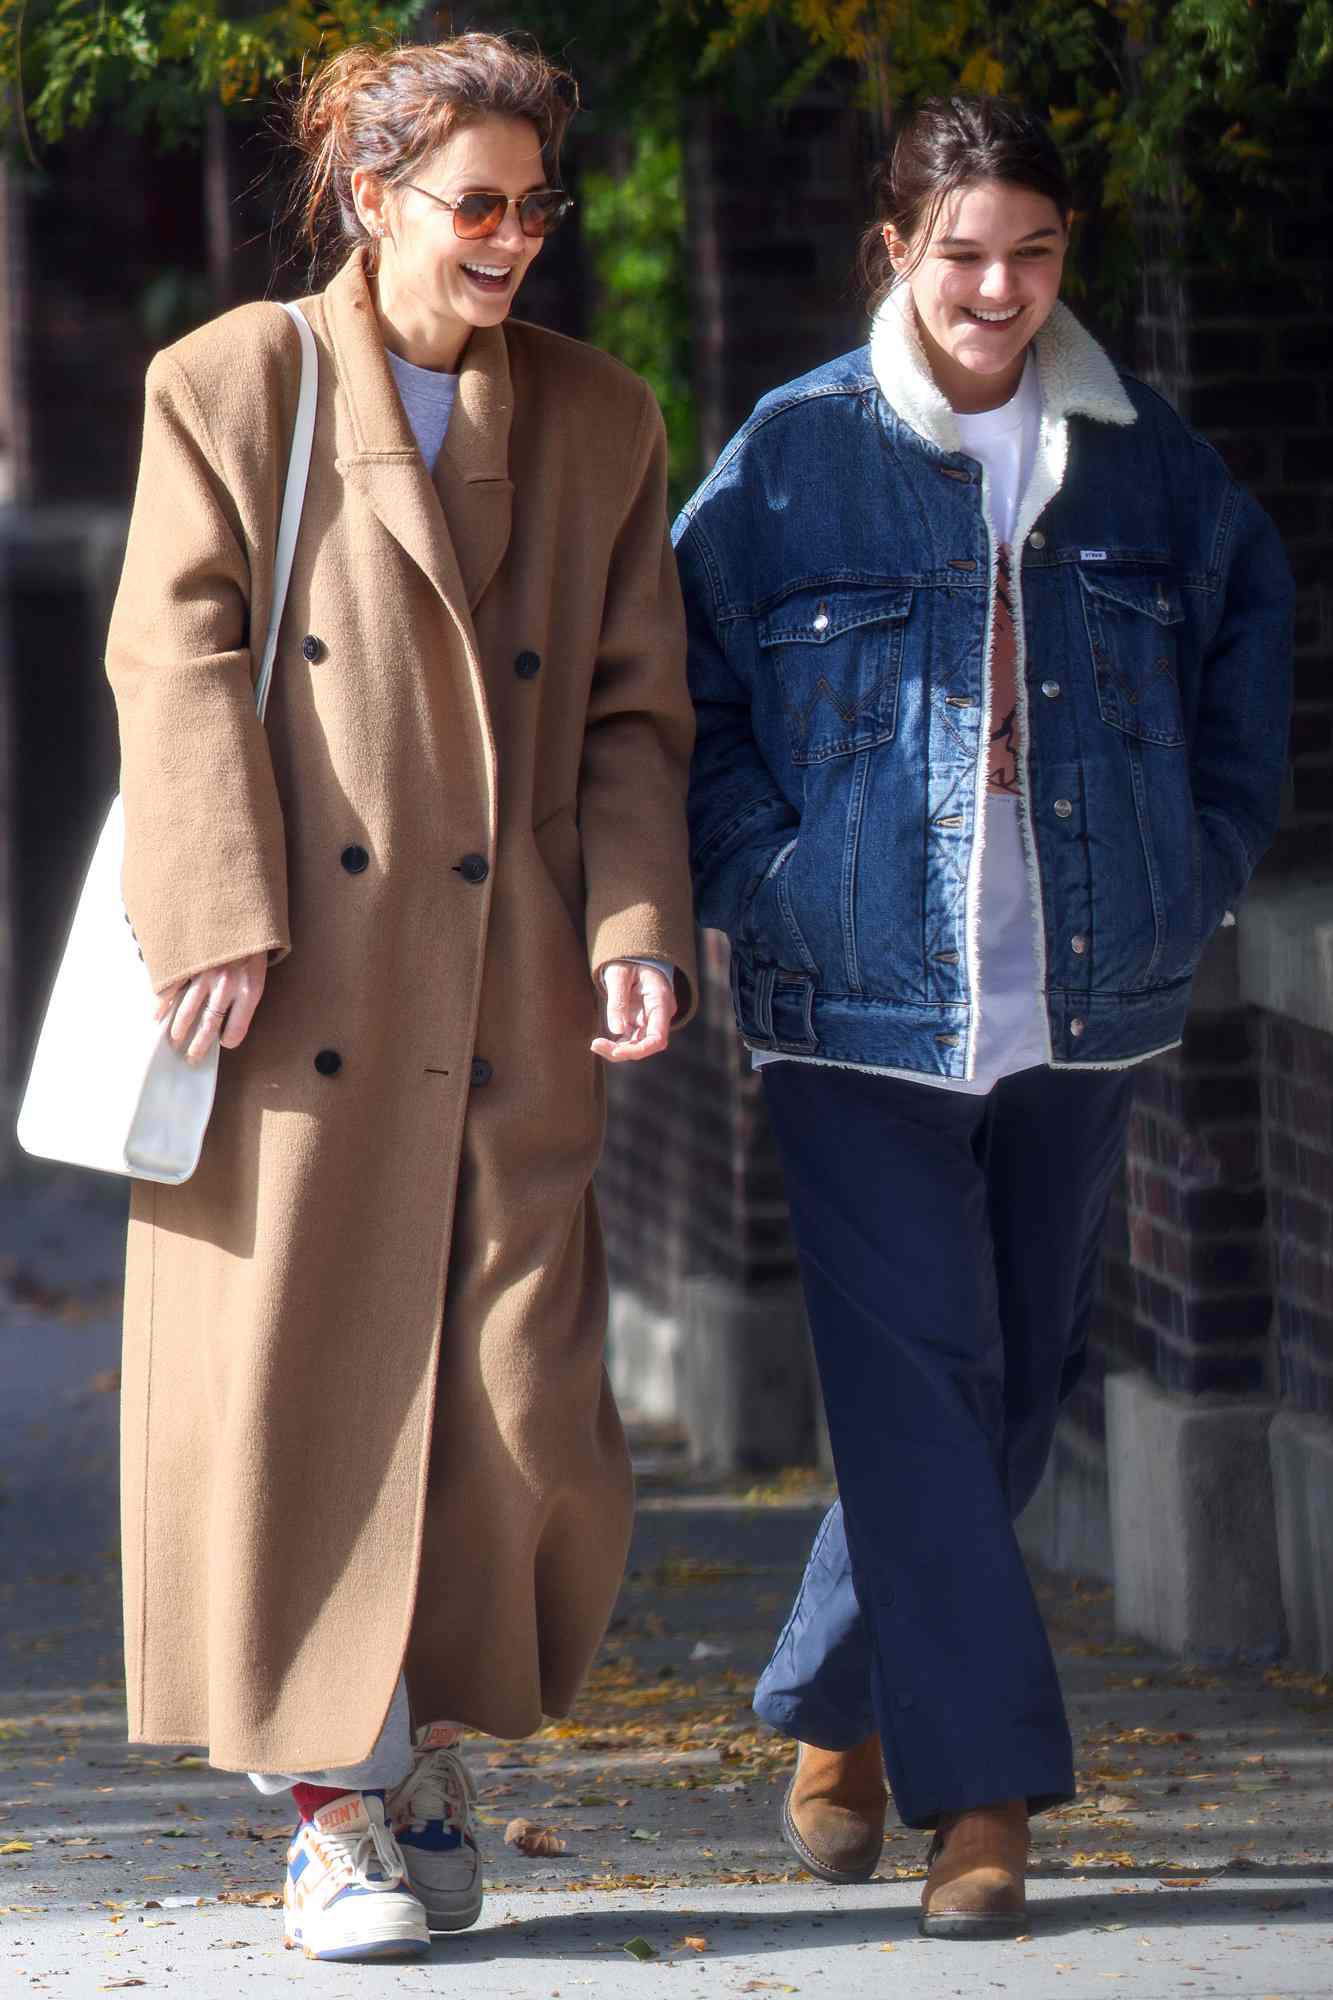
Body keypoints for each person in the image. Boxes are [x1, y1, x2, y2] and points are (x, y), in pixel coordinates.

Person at [104, 32, 696, 1964]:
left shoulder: (603, 422)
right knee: (306, 1398)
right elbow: (173, 655)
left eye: (540, 205)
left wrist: (630, 930)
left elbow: (629, 717)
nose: (515, 238)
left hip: (509, 985)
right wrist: (213, 909)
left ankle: (430, 1745)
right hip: (291, 992)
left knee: (514, 1398)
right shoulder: (233, 382)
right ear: (373, 201)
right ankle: (333, 1813)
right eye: (477, 204)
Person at [675, 94, 1291, 1939]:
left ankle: (837, 1702)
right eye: (960, 252)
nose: (997, 287)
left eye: (1030, 251)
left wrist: (1201, 864)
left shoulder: (1141, 459)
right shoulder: (789, 457)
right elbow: (683, 704)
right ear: (893, 249)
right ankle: (986, 1804)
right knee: (922, 1382)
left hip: (1080, 1000)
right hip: (851, 1007)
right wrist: (762, 880)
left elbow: (1247, 652)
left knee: (1013, 1386)